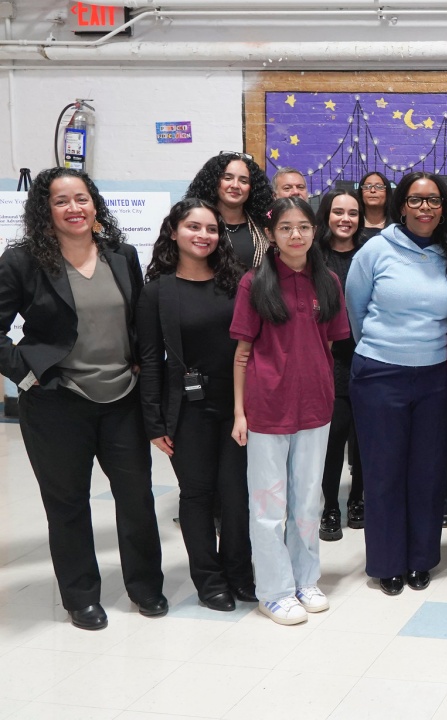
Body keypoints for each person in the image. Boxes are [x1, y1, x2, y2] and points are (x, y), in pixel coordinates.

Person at [0, 167, 166, 630]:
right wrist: (26, 375)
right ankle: (81, 597)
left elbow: (135, 320)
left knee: (136, 498)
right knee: (68, 503)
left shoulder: (121, 254)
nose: (74, 208)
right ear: (45, 210)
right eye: (61, 201)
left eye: (81, 198)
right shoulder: (23, 262)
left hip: (122, 399)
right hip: (57, 403)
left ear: (95, 204)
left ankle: (146, 587)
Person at [230, 196, 351, 625]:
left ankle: (306, 580)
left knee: (308, 501)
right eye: (286, 228)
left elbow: (330, 345)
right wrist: (240, 414)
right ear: (270, 234)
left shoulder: (328, 283)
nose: (295, 235)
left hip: (315, 408)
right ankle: (274, 591)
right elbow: (242, 354)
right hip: (265, 410)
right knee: (267, 505)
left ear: (314, 232)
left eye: (303, 226)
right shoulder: (254, 283)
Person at [346, 173, 447, 596]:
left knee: (427, 472)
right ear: (402, 205)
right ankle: (388, 562)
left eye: (434, 200)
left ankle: (420, 559)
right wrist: (386, 350)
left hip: (435, 376)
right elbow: (355, 311)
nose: (426, 208)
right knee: (383, 472)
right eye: (417, 200)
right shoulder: (375, 250)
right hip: (380, 374)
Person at [137, 198, 252, 612]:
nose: (204, 235)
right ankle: (209, 580)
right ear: (174, 232)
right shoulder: (157, 293)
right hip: (188, 409)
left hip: (238, 405)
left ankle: (240, 572)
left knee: (237, 495)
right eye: (194, 227)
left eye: (212, 229)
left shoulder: (234, 281)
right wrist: (154, 421)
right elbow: (150, 361)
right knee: (198, 494)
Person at [315, 188, 366, 542]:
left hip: (365, 358)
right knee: (332, 439)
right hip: (327, 360)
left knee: (363, 439)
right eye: (338, 212)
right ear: (327, 215)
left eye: (352, 212)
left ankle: (358, 500)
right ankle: (330, 505)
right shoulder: (313, 256)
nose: (345, 219)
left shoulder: (370, 254)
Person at [185, 152, 272, 270]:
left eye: (244, 181)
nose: (235, 185)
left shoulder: (264, 226)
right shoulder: (195, 226)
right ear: (214, 182)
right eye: (228, 178)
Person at [358, 172, 392, 241]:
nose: (372, 190)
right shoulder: (354, 225)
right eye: (367, 187)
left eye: (379, 187)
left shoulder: (396, 227)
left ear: (387, 193)